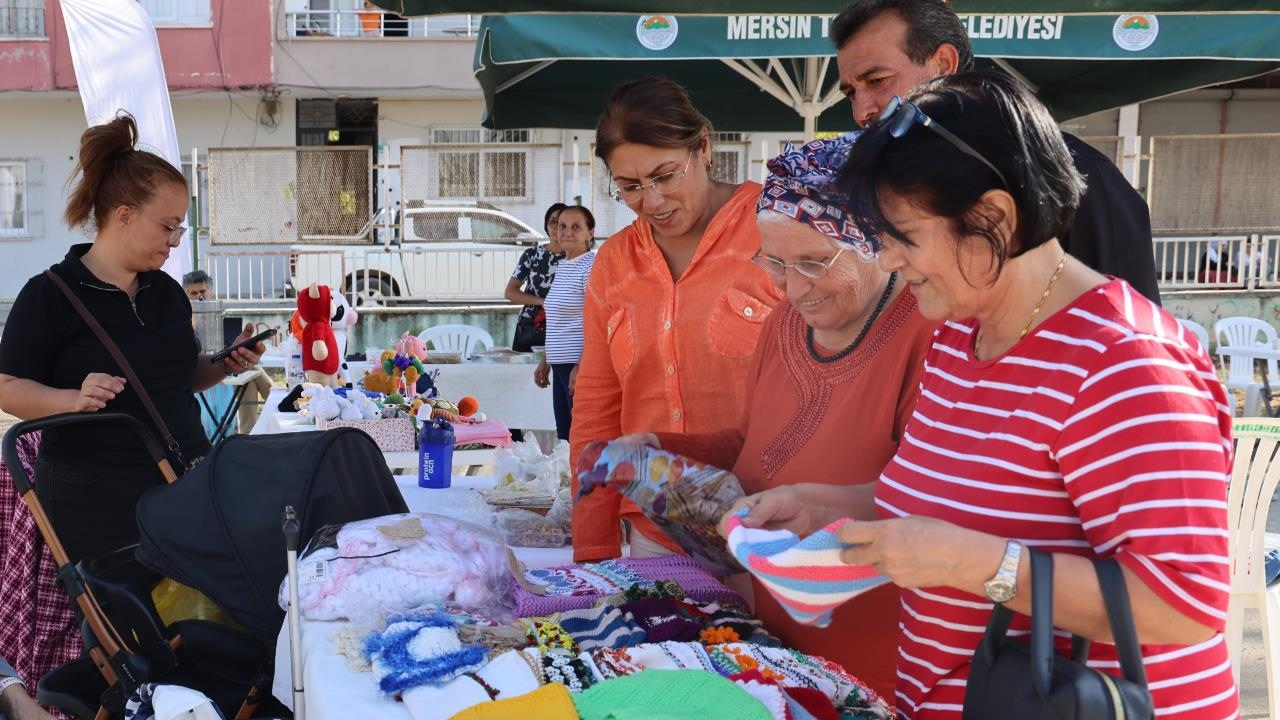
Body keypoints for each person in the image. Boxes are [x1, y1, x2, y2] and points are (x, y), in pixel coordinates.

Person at [731, 71, 1237, 718]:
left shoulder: (1126, 362)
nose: (886, 260)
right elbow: (961, 504)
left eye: (901, 235)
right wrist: (821, 505)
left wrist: (980, 566)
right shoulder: (957, 336)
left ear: (991, 217)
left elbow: (1183, 605)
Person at [613, 135, 935, 701]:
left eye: (813, 262)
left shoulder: (929, 334)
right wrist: (663, 449)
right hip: (779, 636)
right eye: (775, 263)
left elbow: (938, 503)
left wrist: (818, 508)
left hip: (885, 652)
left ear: (877, 244)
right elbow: (753, 441)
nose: (792, 287)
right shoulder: (784, 323)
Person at [0, 114, 267, 566]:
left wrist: (225, 363)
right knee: (126, 607)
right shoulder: (50, 295)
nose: (175, 241)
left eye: (180, 228)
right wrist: (72, 399)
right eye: (167, 226)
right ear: (124, 216)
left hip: (183, 485)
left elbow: (182, 377)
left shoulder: (165, 291)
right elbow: (7, 388)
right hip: (97, 505)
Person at [569, 77, 784, 562]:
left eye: (665, 176)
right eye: (629, 187)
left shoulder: (775, 232)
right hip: (656, 531)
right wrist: (595, 547)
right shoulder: (614, 264)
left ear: (703, 147)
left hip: (768, 523)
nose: (652, 202)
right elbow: (596, 412)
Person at [831, 0, 1161, 304]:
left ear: (943, 64)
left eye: (877, 80)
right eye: (851, 93)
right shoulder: (893, 185)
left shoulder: (1078, 173)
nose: (861, 110)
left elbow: (1128, 321)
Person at [534, 206, 597, 441]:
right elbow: (558, 319)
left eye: (576, 227)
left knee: (582, 438)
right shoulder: (565, 264)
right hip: (561, 365)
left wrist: (582, 366)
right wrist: (546, 359)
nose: (567, 232)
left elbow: (597, 319)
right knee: (565, 437)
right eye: (562, 226)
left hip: (578, 366)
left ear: (590, 233)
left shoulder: (591, 265)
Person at [506, 203, 566, 352]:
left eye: (562, 223)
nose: (557, 227)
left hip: (564, 329)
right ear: (546, 225)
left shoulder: (577, 258)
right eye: (553, 222)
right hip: (530, 327)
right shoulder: (532, 255)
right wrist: (541, 302)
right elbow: (510, 292)